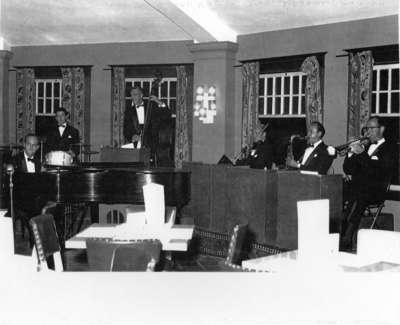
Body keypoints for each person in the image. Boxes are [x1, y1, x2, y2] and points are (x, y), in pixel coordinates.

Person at [339, 116, 395, 251]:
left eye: (371, 128)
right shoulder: (366, 146)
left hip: (375, 190)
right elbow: (348, 169)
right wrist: (351, 153)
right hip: (358, 189)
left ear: (381, 129)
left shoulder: (390, 148)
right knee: (336, 191)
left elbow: (376, 172)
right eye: (366, 128)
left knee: (358, 194)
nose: (367, 132)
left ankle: (346, 238)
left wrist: (362, 154)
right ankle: (337, 233)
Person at [123, 85, 172, 165]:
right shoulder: (129, 111)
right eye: (131, 95)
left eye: (135, 94)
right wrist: (132, 136)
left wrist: (158, 101)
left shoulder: (151, 107)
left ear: (141, 95)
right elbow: (126, 130)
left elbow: (167, 114)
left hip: (152, 145)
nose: (133, 97)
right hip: (136, 146)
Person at [8, 134, 42, 247]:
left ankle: (41, 244)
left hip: (34, 198)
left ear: (38, 147)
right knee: (34, 209)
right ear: (24, 145)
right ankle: (35, 242)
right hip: (20, 199)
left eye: (34, 145)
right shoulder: (15, 160)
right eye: (28, 144)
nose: (31, 148)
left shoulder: (38, 162)